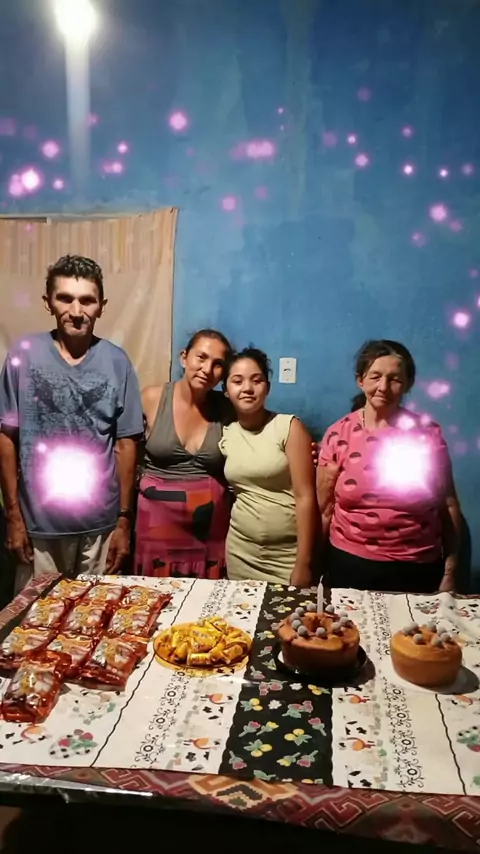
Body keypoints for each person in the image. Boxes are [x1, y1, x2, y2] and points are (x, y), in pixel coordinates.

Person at [0, 254, 143, 592]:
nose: (76, 311)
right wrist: (13, 516)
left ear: (101, 306)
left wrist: (124, 521)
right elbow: (6, 437)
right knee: (35, 618)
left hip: (100, 529)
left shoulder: (117, 362)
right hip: (38, 527)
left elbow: (126, 444)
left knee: (97, 614)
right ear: (48, 302)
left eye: (87, 300)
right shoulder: (23, 355)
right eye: (65, 298)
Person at [317, 339, 462, 593]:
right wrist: (313, 566)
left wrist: (451, 572)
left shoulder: (428, 434)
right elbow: (325, 509)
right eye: (375, 377)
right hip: (349, 565)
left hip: (417, 567)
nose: (383, 387)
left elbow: (448, 505)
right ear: (360, 380)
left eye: (394, 379)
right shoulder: (338, 434)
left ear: (407, 384)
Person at [136, 329, 234, 578]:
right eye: (201, 357)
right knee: (155, 597)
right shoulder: (151, 398)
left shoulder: (226, 409)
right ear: (184, 357)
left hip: (209, 532)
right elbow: (124, 454)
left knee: (207, 600)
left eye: (218, 364)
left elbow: (259, 436)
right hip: (158, 529)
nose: (207, 369)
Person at [220, 347, 317, 585]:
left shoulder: (288, 426)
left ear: (268, 387)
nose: (247, 388)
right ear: (226, 391)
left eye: (257, 380)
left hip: (287, 555)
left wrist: (304, 563)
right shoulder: (226, 433)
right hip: (240, 551)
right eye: (237, 381)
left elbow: (305, 497)